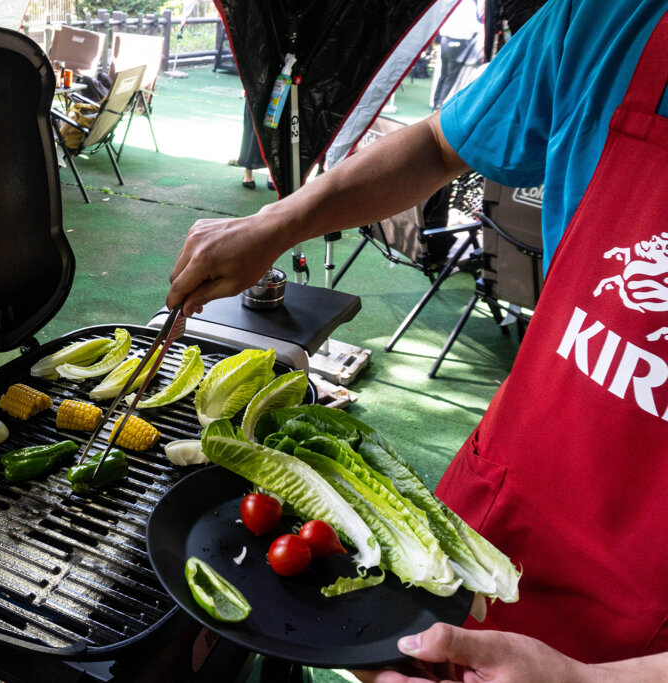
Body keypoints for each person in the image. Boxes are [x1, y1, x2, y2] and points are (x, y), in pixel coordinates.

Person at [167, 0, 668, 677]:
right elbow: (440, 143)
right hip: (506, 506)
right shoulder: (607, 19)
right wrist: (277, 222)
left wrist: (592, 678)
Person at [234, 99, 276, 191]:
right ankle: (248, 172)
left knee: (275, 130)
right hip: (255, 89)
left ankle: (273, 174)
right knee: (253, 129)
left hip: (279, 88)